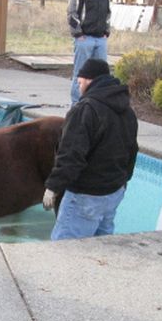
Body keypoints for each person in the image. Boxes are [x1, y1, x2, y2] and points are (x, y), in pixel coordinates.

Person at [42, 58, 139, 240]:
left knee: (65, 253)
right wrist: (123, 182)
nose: (78, 88)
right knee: (100, 249)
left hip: (85, 195)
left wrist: (53, 187)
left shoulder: (85, 110)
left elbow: (71, 154)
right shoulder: (127, 111)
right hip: (113, 193)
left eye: (79, 82)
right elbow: (132, 150)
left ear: (89, 80)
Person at [67, 0, 111, 105]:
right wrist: (78, 34)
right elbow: (72, 12)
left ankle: (97, 105)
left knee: (101, 75)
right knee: (80, 73)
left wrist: (106, 31)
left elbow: (108, 13)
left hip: (100, 40)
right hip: (85, 39)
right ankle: (76, 107)